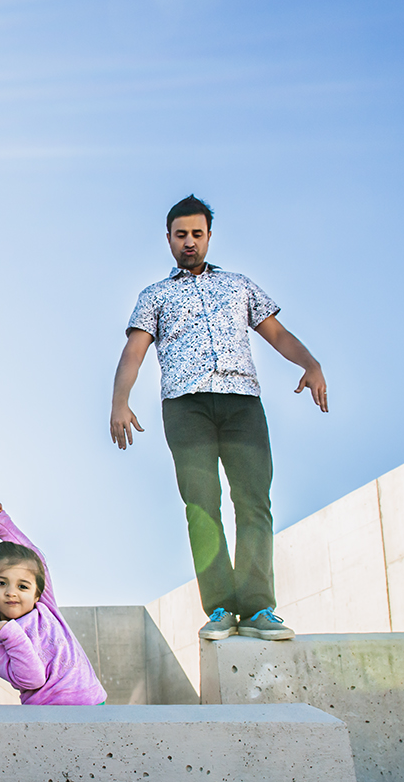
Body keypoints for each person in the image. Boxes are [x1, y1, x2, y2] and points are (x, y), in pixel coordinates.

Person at [109, 195, 327, 642]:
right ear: (168, 238)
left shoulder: (239, 285)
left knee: (253, 502)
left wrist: (311, 364)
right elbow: (134, 351)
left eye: (197, 234)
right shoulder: (155, 295)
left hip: (242, 402)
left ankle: (259, 607)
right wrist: (120, 401)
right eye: (180, 235)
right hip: (185, 407)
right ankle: (222, 608)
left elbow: (277, 333)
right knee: (202, 506)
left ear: (208, 236)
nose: (189, 242)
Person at [0, 503, 107, 705]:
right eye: (2, 583)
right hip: (49, 715)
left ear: (37, 593)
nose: (11, 592)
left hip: (92, 702)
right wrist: (6, 630)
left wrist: (1, 524)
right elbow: (31, 679)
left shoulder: (45, 607)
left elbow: (35, 559)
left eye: (22, 586)